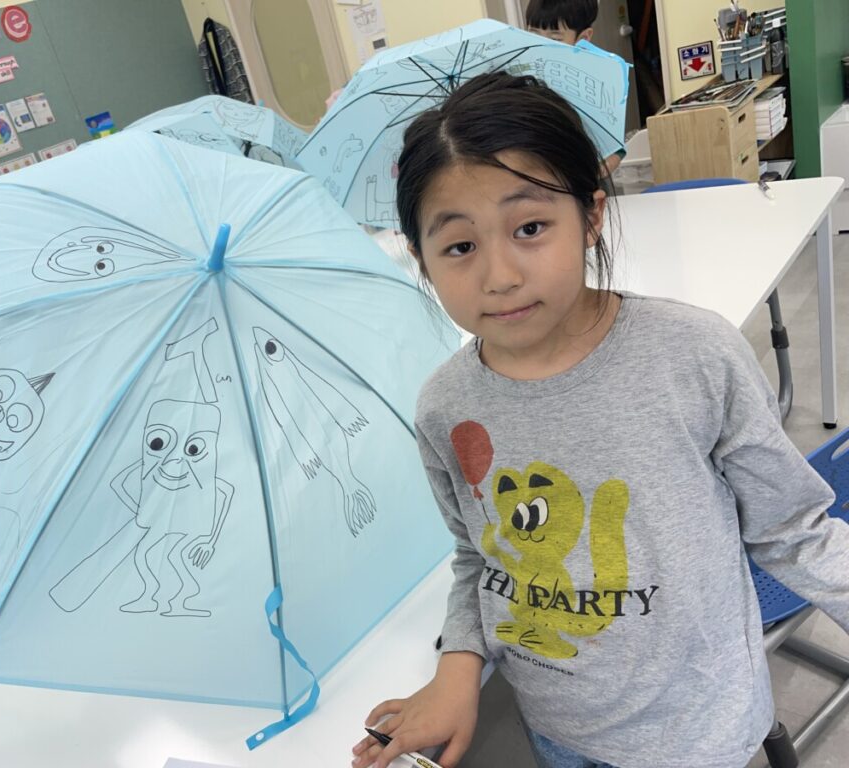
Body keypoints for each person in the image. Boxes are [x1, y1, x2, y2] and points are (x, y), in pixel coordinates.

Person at [350, 71, 849, 768]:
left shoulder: (692, 356)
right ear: (423, 260)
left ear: (590, 217)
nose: (499, 275)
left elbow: (793, 530)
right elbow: (478, 556)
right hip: (558, 729)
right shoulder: (444, 406)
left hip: (699, 734)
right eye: (460, 246)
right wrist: (458, 667)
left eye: (530, 228)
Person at [526, 0, 623, 177]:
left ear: (583, 38)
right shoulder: (522, 81)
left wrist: (601, 168)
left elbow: (616, 148)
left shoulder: (596, 84)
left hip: (583, 179)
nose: (540, 44)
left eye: (555, 39)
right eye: (533, 34)